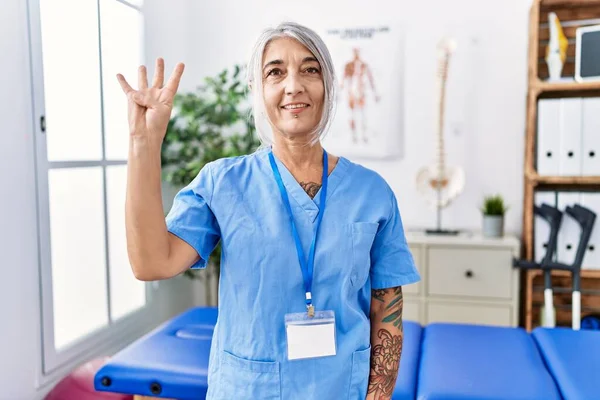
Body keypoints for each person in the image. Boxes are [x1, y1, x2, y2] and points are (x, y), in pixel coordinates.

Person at [118, 21, 420, 400]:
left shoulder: (372, 193)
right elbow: (151, 263)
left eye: (310, 70)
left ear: (328, 85)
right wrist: (143, 145)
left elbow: (387, 312)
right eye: (275, 72)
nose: (293, 85)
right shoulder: (222, 183)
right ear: (257, 90)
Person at [340, 47, 380, 144]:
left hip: (361, 92)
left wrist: (375, 93)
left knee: (362, 115)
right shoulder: (348, 65)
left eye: (357, 52)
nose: (356, 54)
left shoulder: (364, 65)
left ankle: (364, 136)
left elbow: (371, 80)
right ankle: (354, 136)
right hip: (352, 93)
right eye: (355, 52)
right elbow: (343, 80)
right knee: (352, 115)